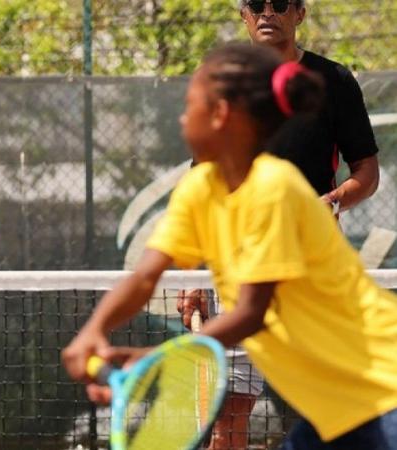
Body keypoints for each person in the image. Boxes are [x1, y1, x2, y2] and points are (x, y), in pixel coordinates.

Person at [61, 42, 397, 450]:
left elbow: (253, 311)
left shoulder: (275, 189)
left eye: (190, 105)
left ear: (220, 115)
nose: (182, 117)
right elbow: (147, 276)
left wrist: (157, 359)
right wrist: (93, 331)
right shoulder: (198, 190)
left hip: (384, 384)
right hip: (336, 409)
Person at [179, 1, 381, 447]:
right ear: (243, 15)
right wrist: (192, 272)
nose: (268, 12)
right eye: (255, 4)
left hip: (313, 268)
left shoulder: (334, 82)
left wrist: (330, 203)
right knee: (229, 411)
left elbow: (366, 172)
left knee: (334, 404)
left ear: (300, 13)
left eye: (280, 3)